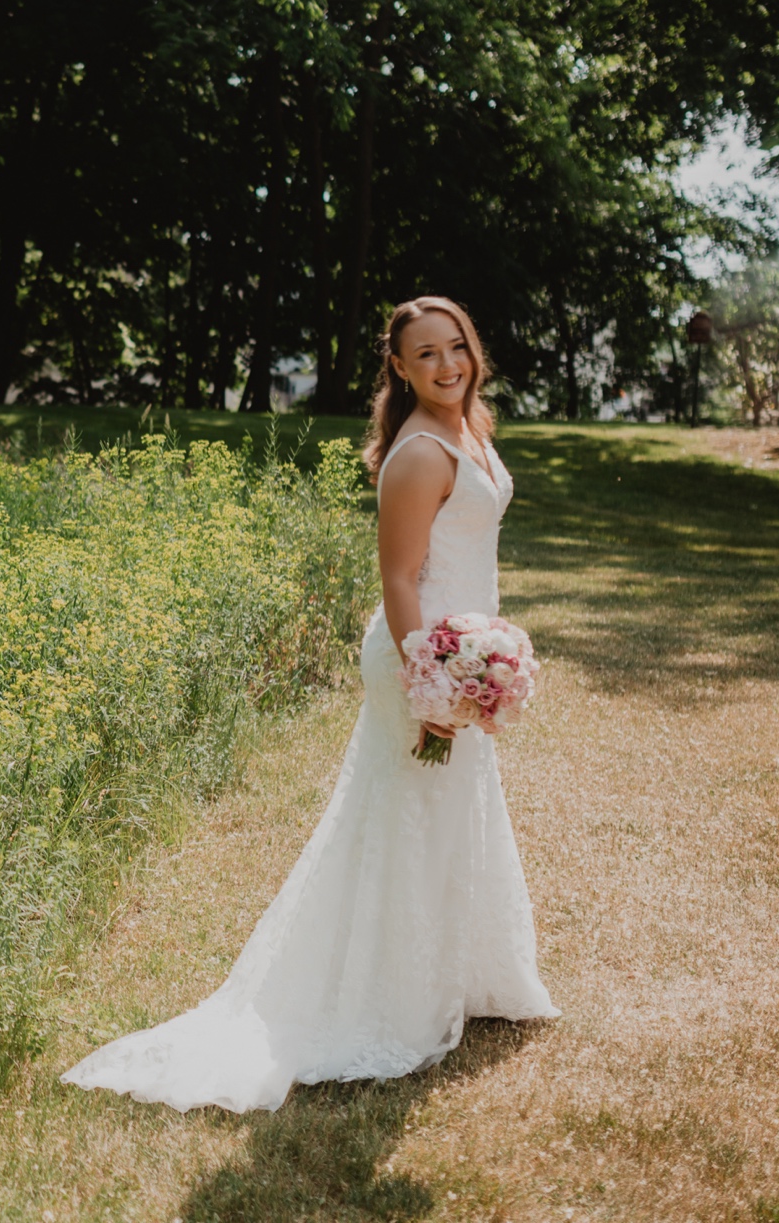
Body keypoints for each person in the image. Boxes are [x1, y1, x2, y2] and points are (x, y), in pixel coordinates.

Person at [61, 296, 557, 1113]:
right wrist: (427, 677)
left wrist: (479, 653)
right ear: (398, 367)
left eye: (457, 346)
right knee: (406, 815)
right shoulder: (420, 453)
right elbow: (399, 578)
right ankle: (384, 997)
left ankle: (457, 973)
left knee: (452, 809)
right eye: (425, 354)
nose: (446, 365)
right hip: (421, 649)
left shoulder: (472, 427)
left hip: (461, 647)